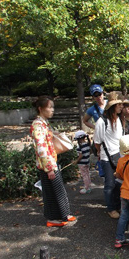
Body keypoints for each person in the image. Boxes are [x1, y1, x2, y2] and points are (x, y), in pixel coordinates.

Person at [30, 96, 75, 227]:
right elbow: (41, 148)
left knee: (56, 190)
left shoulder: (43, 123)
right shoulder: (37, 125)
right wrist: (49, 168)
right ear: (40, 109)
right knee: (53, 191)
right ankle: (54, 218)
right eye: (49, 107)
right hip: (47, 164)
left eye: (52, 107)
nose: (52, 110)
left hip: (50, 161)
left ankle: (62, 215)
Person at [94, 91, 124, 219]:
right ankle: (111, 208)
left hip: (119, 156)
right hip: (107, 158)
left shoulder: (119, 119)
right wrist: (100, 154)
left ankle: (117, 205)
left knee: (118, 183)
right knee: (110, 184)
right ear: (112, 106)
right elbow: (97, 142)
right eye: (118, 104)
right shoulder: (102, 121)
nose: (121, 106)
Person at [73, 130, 93, 194]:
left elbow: (80, 156)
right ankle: (89, 187)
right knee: (87, 174)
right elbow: (90, 152)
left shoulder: (79, 146)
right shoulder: (87, 144)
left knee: (84, 175)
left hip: (82, 163)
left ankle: (86, 188)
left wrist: (76, 161)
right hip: (87, 162)